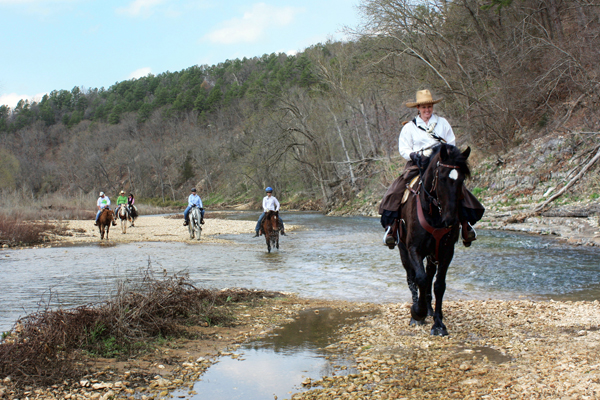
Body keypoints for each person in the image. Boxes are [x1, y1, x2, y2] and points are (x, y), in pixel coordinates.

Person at [379, 89, 484, 249]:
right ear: (418, 108)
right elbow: (403, 149)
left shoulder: (442, 123)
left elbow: (452, 144)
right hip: (418, 164)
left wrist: (447, 157)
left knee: (456, 186)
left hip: (441, 163)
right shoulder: (409, 128)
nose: (427, 110)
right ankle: (392, 229)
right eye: (424, 107)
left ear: (432, 107)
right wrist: (414, 156)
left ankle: (466, 224)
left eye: (429, 107)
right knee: (396, 190)